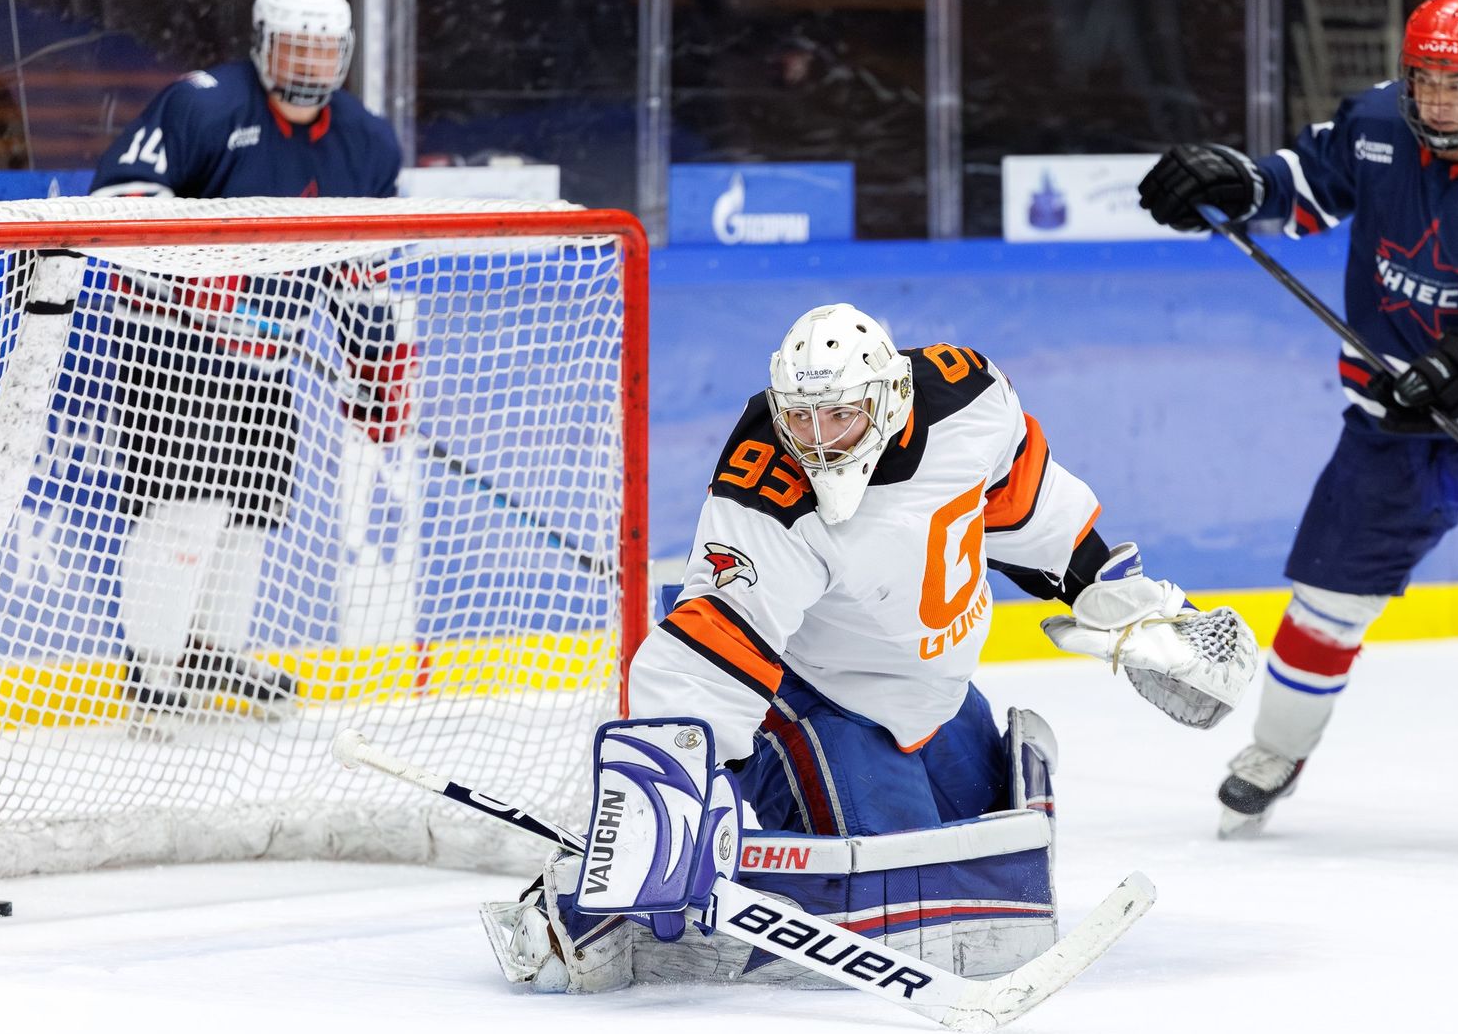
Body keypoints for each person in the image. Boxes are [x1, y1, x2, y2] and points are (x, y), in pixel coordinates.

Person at [479, 303, 1259, 993]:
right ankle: (577, 907)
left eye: (839, 417)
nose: (817, 441)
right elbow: (715, 636)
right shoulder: (765, 477)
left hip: (934, 698)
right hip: (816, 695)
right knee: (900, 898)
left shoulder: (967, 399)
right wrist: (678, 783)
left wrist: (1125, 605)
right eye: (801, 419)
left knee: (989, 862)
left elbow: (1027, 505)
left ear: (886, 399)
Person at [1138, 0, 1458, 853]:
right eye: (1425, 80)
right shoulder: (1375, 125)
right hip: (1394, 412)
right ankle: (1276, 749)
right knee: (1327, 600)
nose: (1439, 101)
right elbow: (1304, 185)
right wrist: (1235, 182)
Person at [90, 0, 409, 721]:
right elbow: (119, 196)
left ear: (344, 54)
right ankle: (153, 669)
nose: (308, 67)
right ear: (264, 43)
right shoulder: (203, 103)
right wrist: (194, 267)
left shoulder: (366, 143)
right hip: (170, 352)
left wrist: (374, 362)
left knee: (250, 514)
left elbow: (358, 268)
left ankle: (210, 650)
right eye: (295, 48)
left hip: (269, 361)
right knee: (187, 510)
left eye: (322, 51)